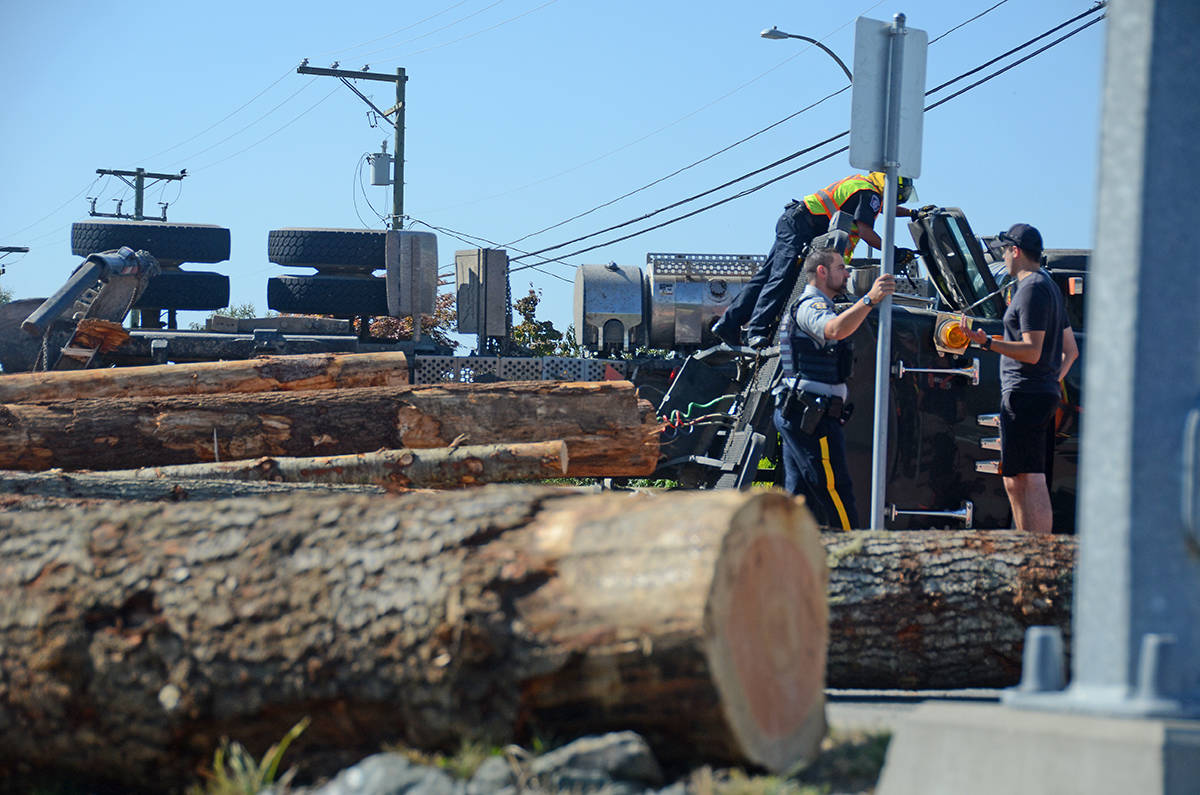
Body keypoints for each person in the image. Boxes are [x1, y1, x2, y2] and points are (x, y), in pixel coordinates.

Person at [960, 223, 1078, 535]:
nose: (1002, 256)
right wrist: (1053, 381)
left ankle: (1034, 553)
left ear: (1016, 251)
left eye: (1003, 250)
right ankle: (1030, 548)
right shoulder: (1048, 287)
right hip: (1037, 392)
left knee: (1028, 475)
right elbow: (1072, 351)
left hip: (1025, 393)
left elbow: (1032, 350)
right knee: (1017, 477)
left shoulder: (1032, 290)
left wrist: (986, 342)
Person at [712, 171, 915, 349]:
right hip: (801, 224)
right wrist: (894, 252)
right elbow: (865, 231)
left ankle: (727, 325)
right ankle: (757, 330)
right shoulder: (869, 193)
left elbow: (881, 208)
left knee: (767, 276)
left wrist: (911, 213)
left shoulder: (865, 187)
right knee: (782, 276)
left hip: (795, 220)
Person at [773, 247, 896, 530]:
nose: (847, 273)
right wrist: (870, 299)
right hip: (812, 416)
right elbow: (833, 330)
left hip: (807, 414)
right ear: (821, 271)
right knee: (835, 490)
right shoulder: (809, 306)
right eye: (841, 267)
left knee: (801, 498)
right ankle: (854, 554)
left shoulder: (822, 304)